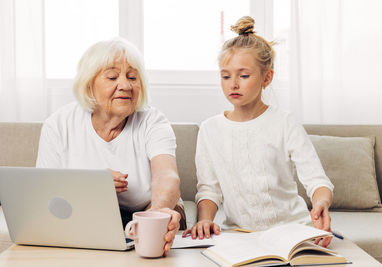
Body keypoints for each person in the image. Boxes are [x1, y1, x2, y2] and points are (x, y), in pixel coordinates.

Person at [183, 16, 334, 247]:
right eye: (225, 76)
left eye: (243, 76)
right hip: (239, 236)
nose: (233, 84)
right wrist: (204, 221)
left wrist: (321, 203)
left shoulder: (284, 122)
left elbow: (316, 180)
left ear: (267, 77)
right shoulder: (210, 129)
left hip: (292, 232)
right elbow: (209, 190)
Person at [36, 37, 185, 255]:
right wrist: (91, 186)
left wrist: (156, 215)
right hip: (84, 214)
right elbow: (45, 191)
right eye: (113, 76)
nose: (125, 85)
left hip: (147, 210)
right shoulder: (58, 124)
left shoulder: (153, 121)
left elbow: (167, 176)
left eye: (132, 77)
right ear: (89, 84)